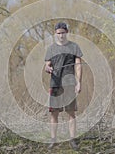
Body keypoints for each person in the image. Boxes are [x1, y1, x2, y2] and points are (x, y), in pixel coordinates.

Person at [44, 22, 83, 150]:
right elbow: (47, 65)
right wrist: (48, 68)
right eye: (58, 33)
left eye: (63, 32)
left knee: (71, 113)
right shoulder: (51, 49)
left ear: (67, 32)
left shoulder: (74, 47)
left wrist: (79, 82)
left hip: (69, 84)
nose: (61, 35)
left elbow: (78, 65)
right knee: (54, 113)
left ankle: (72, 140)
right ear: (56, 34)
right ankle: (53, 140)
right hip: (55, 84)